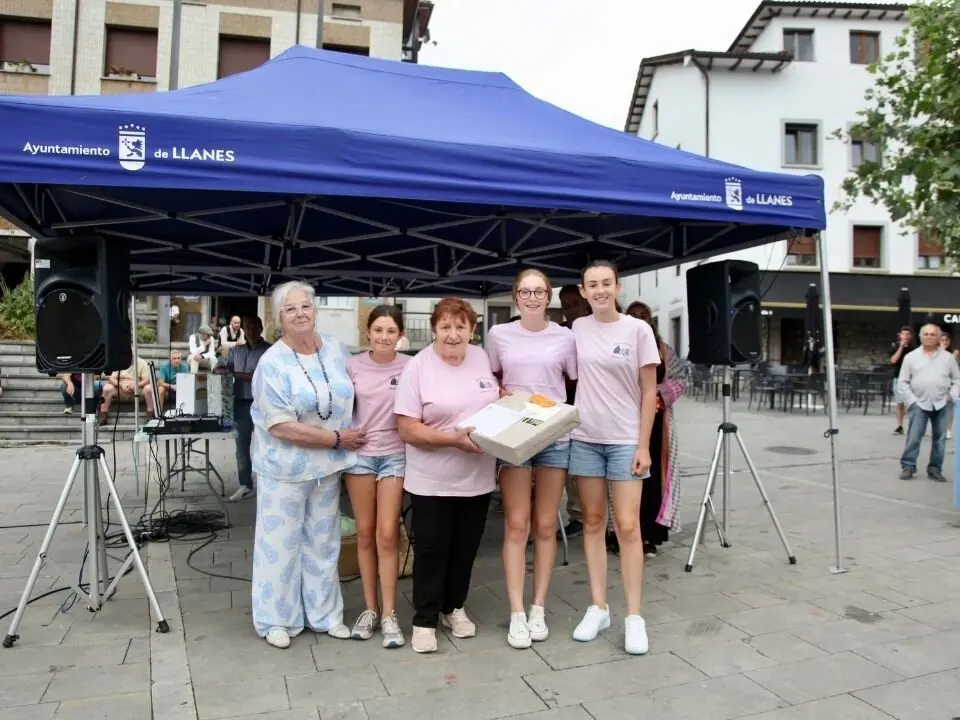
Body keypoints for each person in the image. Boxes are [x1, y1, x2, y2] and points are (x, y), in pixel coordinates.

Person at [249, 281, 366, 649]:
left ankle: (325, 615)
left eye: (306, 306)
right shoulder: (271, 364)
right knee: (279, 545)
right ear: (278, 317)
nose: (300, 313)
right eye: (290, 309)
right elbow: (280, 425)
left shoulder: (334, 348)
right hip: (284, 469)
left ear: (314, 310)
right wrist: (336, 439)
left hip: (326, 469)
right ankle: (275, 620)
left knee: (324, 542)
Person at [394, 297, 498, 654]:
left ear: (472, 329)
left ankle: (453, 607)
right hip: (432, 479)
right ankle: (424, 619)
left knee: (465, 548)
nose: (453, 335)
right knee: (432, 549)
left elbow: (493, 404)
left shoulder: (482, 358)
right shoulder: (417, 367)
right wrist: (452, 440)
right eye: (445, 327)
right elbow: (407, 428)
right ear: (435, 329)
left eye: (461, 327)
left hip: (478, 477)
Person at [568, 260, 660, 655]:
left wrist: (643, 445)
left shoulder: (638, 330)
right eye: (593, 284)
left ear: (618, 287)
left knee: (627, 527)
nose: (601, 290)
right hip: (585, 437)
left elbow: (649, 393)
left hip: (625, 439)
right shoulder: (577, 329)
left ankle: (634, 618)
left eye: (607, 283)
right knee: (591, 522)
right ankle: (599, 607)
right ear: (583, 290)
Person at [486, 269, 577, 649]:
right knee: (516, 526)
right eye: (525, 291)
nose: (533, 297)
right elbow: (490, 378)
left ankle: (538, 606)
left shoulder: (565, 337)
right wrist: (498, 391)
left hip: (554, 434)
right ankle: (517, 611)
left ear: (549, 296)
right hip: (515, 433)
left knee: (545, 526)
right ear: (515, 295)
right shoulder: (498, 335)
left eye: (540, 291)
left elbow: (573, 382)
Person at [344, 305, 411, 648]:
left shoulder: (411, 366)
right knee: (366, 533)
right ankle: (370, 610)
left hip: (395, 457)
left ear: (400, 336)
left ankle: (390, 615)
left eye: (391, 331)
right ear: (368, 332)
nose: (384, 337)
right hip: (360, 458)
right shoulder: (352, 364)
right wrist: (343, 435)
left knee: (388, 534)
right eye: (378, 330)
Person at [624, 301, 689, 558]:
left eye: (644, 315)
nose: (640, 319)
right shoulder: (619, 348)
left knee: (652, 480)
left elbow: (682, 378)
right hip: (625, 422)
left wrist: (661, 394)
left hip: (657, 426)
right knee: (623, 478)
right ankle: (619, 534)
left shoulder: (664, 350)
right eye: (634, 316)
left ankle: (649, 534)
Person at [898, 323, 960, 482]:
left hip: (942, 403)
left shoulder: (948, 358)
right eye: (926, 334)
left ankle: (935, 468)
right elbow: (903, 382)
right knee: (914, 436)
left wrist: (952, 395)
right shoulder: (910, 357)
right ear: (920, 337)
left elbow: (957, 379)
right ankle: (908, 466)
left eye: (933, 334)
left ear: (939, 338)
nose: (929, 337)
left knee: (939, 439)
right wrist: (912, 401)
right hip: (919, 403)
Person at [218, 316, 271, 502]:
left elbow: (260, 376)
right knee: (241, 446)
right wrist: (220, 368)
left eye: (254, 327)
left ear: (261, 328)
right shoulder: (236, 351)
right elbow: (223, 367)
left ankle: (270, 484)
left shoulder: (269, 350)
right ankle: (245, 485)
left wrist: (234, 373)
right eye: (247, 327)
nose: (250, 330)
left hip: (264, 403)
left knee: (267, 445)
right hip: (240, 402)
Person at [558, 284, 590, 539]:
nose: (569, 310)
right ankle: (577, 515)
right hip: (567, 407)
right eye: (565, 305)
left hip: (594, 406)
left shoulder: (594, 330)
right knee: (571, 468)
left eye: (574, 304)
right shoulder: (561, 334)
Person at [889, 326, 915, 435]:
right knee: (900, 403)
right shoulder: (895, 347)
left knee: (913, 403)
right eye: (903, 334)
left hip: (913, 379)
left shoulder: (915, 348)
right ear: (900, 335)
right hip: (898, 378)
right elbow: (893, 361)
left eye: (908, 334)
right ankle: (899, 426)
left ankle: (914, 426)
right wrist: (901, 347)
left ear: (911, 336)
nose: (905, 336)